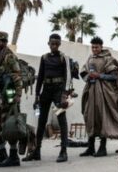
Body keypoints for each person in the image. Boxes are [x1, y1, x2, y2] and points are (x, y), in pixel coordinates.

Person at [28, 33, 72, 163]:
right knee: (41, 120)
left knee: (61, 120)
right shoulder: (44, 58)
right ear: (48, 44)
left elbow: (68, 77)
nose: (54, 46)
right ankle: (37, 151)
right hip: (46, 90)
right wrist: (37, 95)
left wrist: (64, 95)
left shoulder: (64, 58)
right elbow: (40, 77)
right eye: (52, 44)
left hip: (59, 91)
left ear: (59, 44)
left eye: (57, 44)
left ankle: (63, 151)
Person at [80, 37, 118, 157]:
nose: (94, 49)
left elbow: (114, 76)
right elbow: (84, 72)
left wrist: (99, 75)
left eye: (96, 47)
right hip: (91, 92)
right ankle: (90, 147)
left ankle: (102, 148)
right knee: (89, 117)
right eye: (93, 47)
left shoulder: (108, 59)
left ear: (101, 47)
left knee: (103, 118)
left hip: (104, 93)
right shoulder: (90, 58)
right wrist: (89, 77)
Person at [0, 31, 23, 168]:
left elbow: (17, 75)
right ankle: (2, 154)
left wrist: (17, 95)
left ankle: (14, 156)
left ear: (4, 43)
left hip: (10, 94)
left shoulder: (9, 57)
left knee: (10, 125)